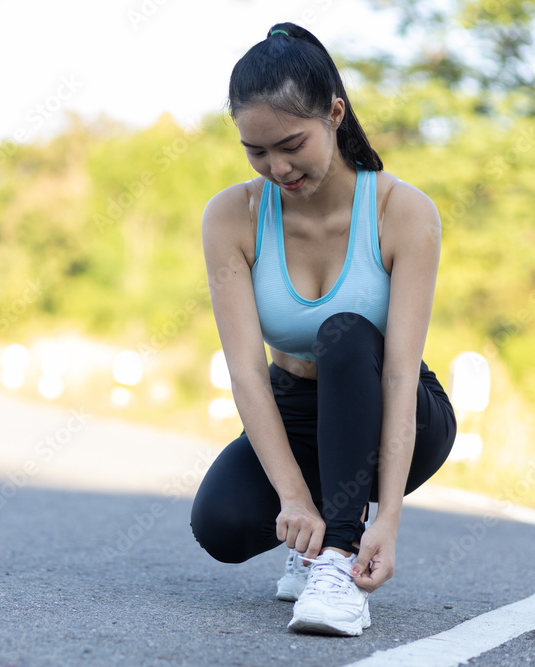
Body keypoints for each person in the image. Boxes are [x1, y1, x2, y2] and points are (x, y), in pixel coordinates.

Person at [190, 22, 457, 636]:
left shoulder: (402, 211)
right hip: (296, 411)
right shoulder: (232, 215)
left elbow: (396, 371)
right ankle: (311, 534)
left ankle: (336, 563)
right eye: (256, 151)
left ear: (335, 113)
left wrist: (384, 517)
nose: (277, 167)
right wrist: (291, 497)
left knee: (346, 332)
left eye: (291, 143)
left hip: (398, 409)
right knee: (222, 524)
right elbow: (248, 373)